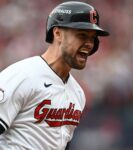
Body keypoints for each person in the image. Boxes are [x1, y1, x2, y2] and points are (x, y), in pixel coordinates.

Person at [0, 1, 109, 150]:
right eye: (82, 35)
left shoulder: (78, 94)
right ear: (57, 33)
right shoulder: (22, 76)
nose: (89, 44)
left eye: (93, 38)